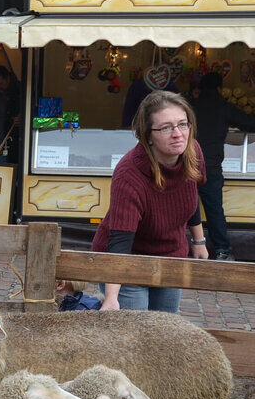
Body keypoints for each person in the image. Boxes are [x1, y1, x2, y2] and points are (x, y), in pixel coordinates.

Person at [92, 90, 208, 313]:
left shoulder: (193, 152)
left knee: (165, 331)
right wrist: (111, 297)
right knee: (135, 335)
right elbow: (120, 242)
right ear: (148, 135)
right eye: (166, 128)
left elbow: (189, 195)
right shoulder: (130, 174)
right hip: (129, 260)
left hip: (171, 257)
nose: (178, 134)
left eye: (183, 124)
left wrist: (199, 241)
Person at [191, 71, 255, 261]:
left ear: (200, 89)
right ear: (219, 88)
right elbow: (250, 124)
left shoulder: (190, 106)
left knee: (185, 207)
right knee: (215, 210)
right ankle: (222, 250)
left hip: (188, 165)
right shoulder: (224, 107)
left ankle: (182, 245)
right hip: (210, 168)